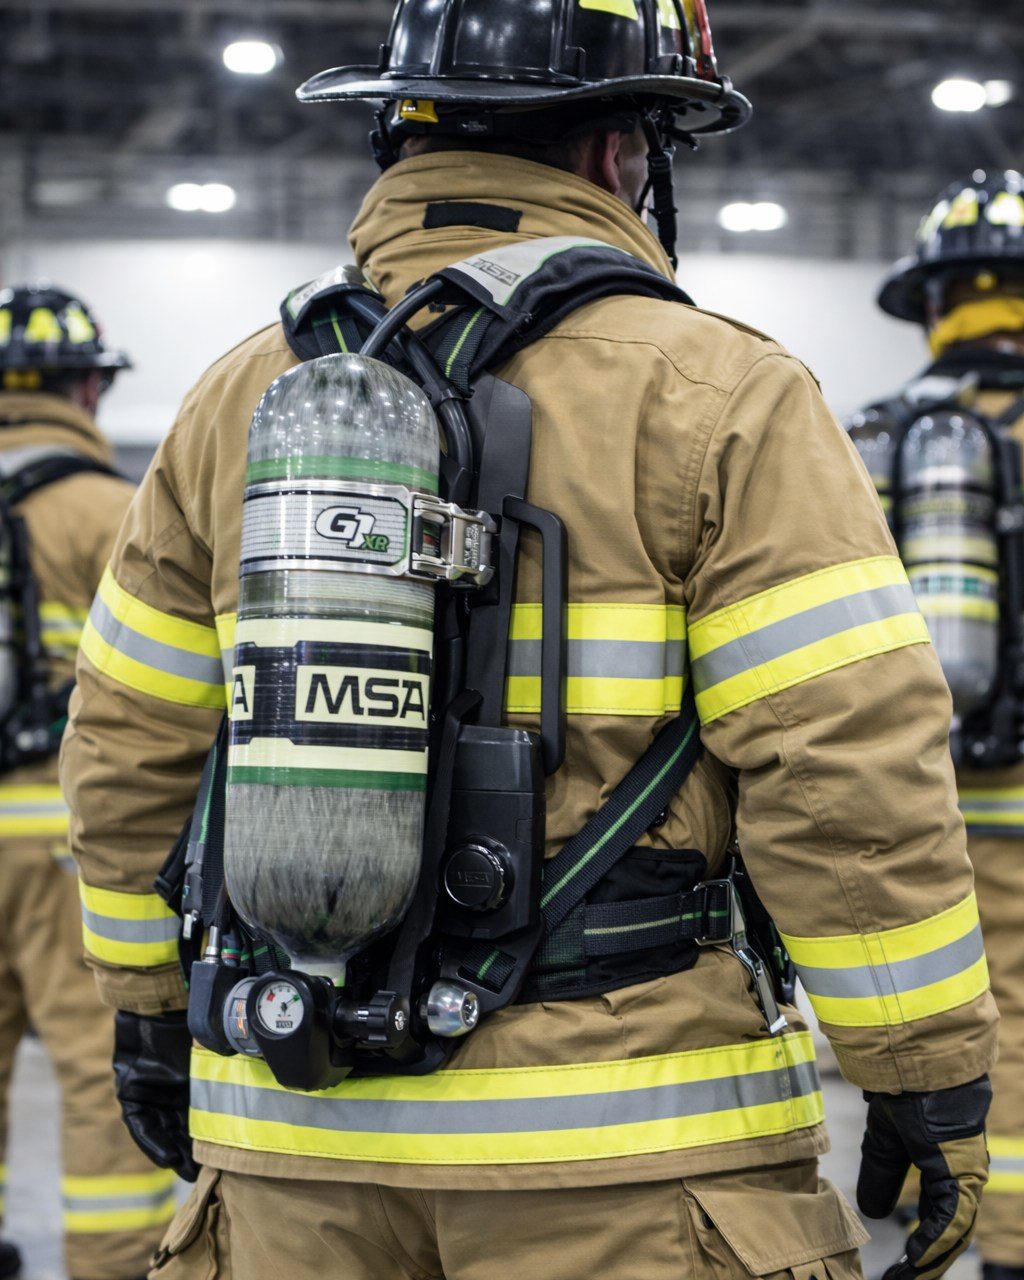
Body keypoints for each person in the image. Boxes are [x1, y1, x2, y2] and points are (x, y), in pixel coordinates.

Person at [62, 4, 996, 1278]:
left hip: (288, 1136)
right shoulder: (722, 391)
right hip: (633, 1163)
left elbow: (125, 745)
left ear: (399, 128)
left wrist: (148, 1013)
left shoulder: (234, 398)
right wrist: (920, 1071)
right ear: (619, 154)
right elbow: (846, 770)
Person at [848, 170, 1024, 1280]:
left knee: (971, 1018)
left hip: (950, 810)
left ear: (930, 302)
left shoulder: (884, 436)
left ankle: (975, 1229)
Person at [0, 285, 177, 1280]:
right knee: (97, 1074)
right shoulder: (115, 510)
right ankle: (113, 1264)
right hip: (65, 849)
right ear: (89, 389)